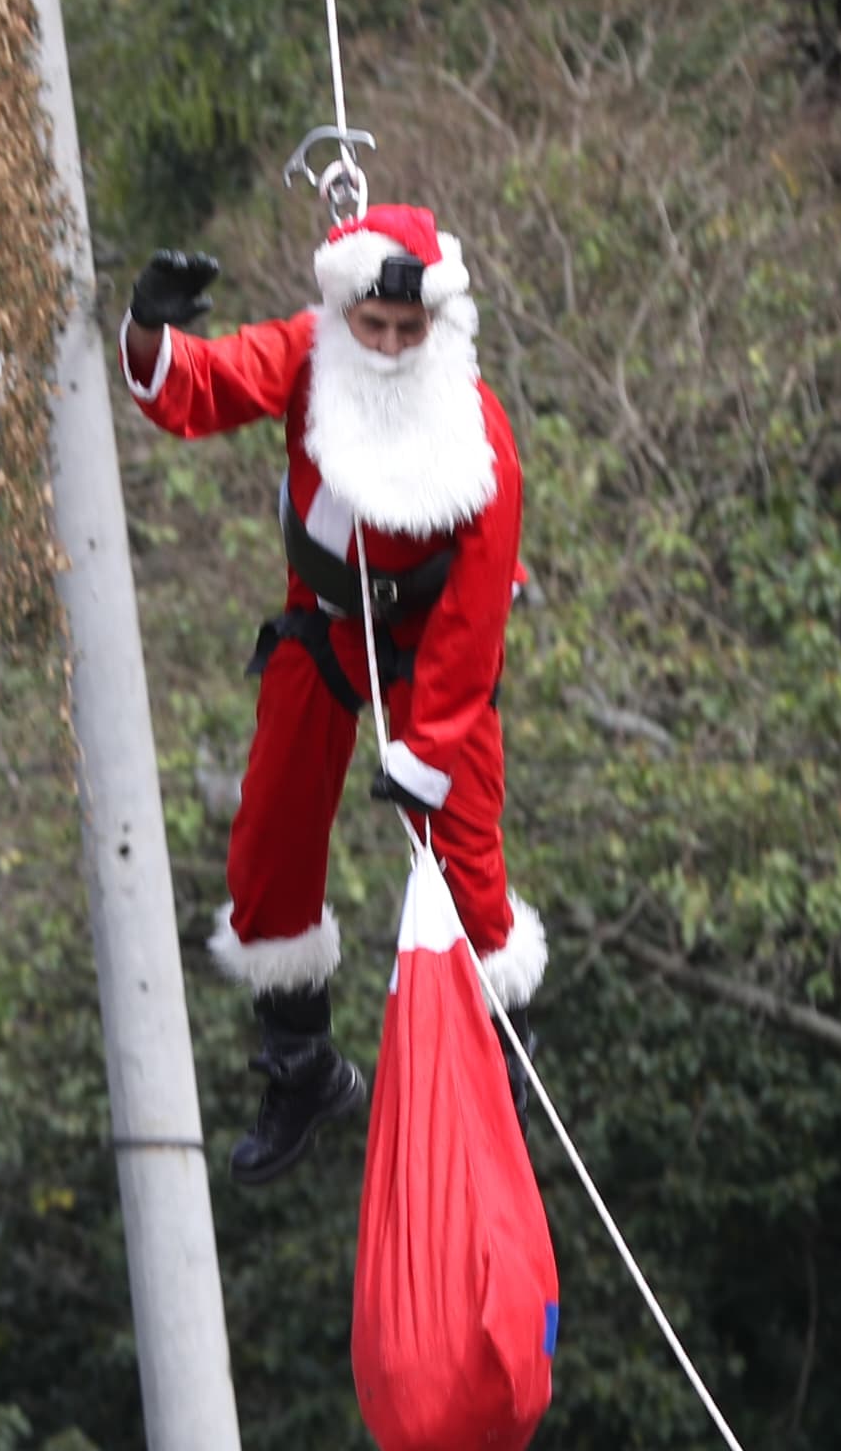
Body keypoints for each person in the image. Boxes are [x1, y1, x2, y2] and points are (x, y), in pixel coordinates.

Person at [120, 203, 544, 1183]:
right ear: (345, 312)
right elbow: (201, 385)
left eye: (408, 331)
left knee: (467, 849)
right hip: (322, 615)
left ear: (435, 327)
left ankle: (507, 1075)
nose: (390, 347)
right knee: (269, 831)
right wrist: (149, 327)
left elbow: (478, 608)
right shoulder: (308, 357)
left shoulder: (480, 434)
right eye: (374, 327)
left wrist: (429, 748)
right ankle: (300, 1065)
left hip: (431, 641)